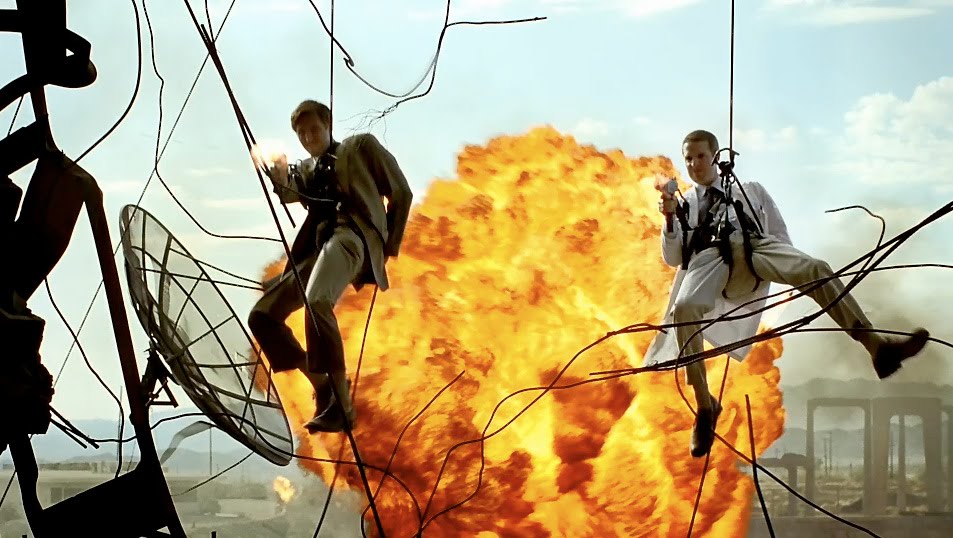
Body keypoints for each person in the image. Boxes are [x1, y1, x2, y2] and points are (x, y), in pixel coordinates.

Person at [644, 129, 930, 458]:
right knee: (684, 308)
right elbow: (673, 257)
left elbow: (778, 234)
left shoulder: (749, 190)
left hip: (752, 247)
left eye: (701, 156)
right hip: (711, 259)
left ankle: (876, 347)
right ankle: (705, 405)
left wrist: (790, 274)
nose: (695, 164)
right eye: (688, 159)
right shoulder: (685, 205)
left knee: (815, 269)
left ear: (715, 156)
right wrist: (669, 218)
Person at [248, 100, 413, 433]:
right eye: (302, 133)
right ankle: (321, 384)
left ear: (328, 125)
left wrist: (386, 247)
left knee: (317, 301)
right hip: (320, 249)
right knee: (262, 316)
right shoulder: (307, 170)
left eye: (314, 129)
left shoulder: (359, 148)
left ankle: (342, 404)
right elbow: (289, 189)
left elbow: (402, 192)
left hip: (352, 238)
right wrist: (278, 176)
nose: (309, 137)